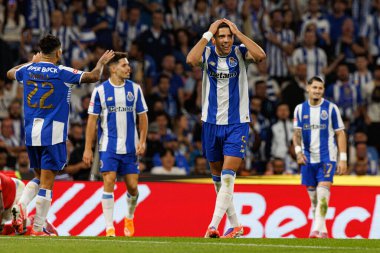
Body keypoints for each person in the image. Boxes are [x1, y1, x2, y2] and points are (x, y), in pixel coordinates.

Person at [6, 34, 115, 236]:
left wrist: (32, 61)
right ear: (58, 52)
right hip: (52, 133)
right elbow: (93, 76)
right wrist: (100, 63)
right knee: (48, 181)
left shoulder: (29, 69)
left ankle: (22, 206)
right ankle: (37, 227)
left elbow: (10, 72)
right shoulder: (61, 71)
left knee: (39, 177)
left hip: (31, 132)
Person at [186, 18, 266, 238]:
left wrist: (239, 33)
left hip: (237, 123)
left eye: (228, 36)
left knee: (228, 176)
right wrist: (207, 34)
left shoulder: (240, 53)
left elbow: (260, 56)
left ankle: (213, 225)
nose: (226, 40)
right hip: (211, 123)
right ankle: (235, 225)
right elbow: (190, 59)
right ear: (215, 38)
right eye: (221, 36)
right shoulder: (207, 54)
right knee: (217, 179)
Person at [83, 52, 148, 237]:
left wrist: (142, 141)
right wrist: (88, 148)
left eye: (128, 65)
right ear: (113, 69)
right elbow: (91, 122)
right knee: (109, 181)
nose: (129, 68)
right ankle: (110, 228)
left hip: (130, 147)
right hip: (108, 147)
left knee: (133, 188)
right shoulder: (100, 91)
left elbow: (143, 117)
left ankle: (129, 216)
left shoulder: (135, 89)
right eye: (124, 65)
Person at [292, 76, 348, 239]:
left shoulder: (331, 109)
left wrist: (342, 159)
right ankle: (322, 230)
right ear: (308, 88)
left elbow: (340, 133)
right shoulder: (300, 109)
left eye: (320, 88)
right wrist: (298, 152)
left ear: (323, 90)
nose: (317, 91)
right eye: (315, 87)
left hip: (327, 157)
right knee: (314, 199)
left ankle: (315, 230)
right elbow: (297, 134)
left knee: (323, 190)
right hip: (308, 159)